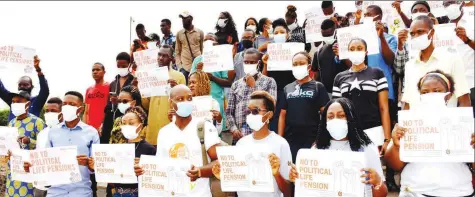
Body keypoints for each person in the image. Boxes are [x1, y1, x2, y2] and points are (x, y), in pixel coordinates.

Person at [385, 70, 474, 196]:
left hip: (457, 191)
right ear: (420, 95)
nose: (431, 95)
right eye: (425, 92)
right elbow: (395, 165)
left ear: (448, 95)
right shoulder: (410, 122)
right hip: (416, 190)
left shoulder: (462, 122)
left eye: (437, 91)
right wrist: (395, 145)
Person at [288, 98, 388, 197]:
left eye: (341, 116)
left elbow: (382, 193)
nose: (335, 120)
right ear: (325, 121)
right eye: (330, 117)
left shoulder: (367, 148)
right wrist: (299, 179)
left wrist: (377, 182)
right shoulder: (316, 150)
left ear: (351, 118)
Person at [135, 84, 221, 197]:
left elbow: (220, 162)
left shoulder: (205, 127)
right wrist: (143, 169)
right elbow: (160, 167)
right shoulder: (164, 132)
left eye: (189, 98)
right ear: (171, 103)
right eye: (180, 99)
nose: (186, 102)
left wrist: (200, 172)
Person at [213, 91, 292, 197]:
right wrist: (225, 177)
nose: (250, 115)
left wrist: (276, 173)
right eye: (248, 111)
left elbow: (288, 192)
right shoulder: (241, 144)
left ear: (269, 114)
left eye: (255, 111)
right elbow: (236, 187)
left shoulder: (281, 144)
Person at [24, 91, 100, 197]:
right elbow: (46, 161)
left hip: (81, 192)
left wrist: (89, 164)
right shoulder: (52, 132)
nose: (67, 107)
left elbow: (98, 166)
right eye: (65, 104)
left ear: (81, 109)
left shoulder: (92, 133)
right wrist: (32, 167)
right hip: (55, 192)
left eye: (72, 104)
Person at [332, 38, 391, 155]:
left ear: (366, 52)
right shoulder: (339, 77)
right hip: (348, 134)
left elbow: (384, 108)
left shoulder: (377, 73)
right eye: (352, 49)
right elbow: (336, 112)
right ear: (347, 53)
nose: (355, 51)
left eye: (359, 48)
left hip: (374, 132)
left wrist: (387, 139)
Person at [399, 15, 471, 109]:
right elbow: (408, 102)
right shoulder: (410, 65)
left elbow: (464, 101)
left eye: (420, 32)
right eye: (412, 34)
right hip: (418, 122)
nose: (416, 36)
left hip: (445, 121)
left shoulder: (452, 59)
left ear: (432, 32)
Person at [90, 106, 156, 197]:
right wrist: (97, 167)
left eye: (131, 123)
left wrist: (144, 168)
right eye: (124, 123)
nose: (126, 126)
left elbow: (153, 178)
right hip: (117, 193)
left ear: (140, 125)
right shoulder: (116, 148)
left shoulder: (149, 149)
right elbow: (111, 180)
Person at [279, 52, 330, 162]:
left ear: (309, 67)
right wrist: (280, 138)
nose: (298, 66)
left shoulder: (318, 87)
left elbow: (325, 114)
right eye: (295, 64)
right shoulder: (287, 88)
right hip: (291, 138)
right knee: (292, 171)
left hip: (312, 138)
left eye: (301, 63)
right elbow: (283, 115)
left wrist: (320, 138)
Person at [226, 48, 277, 144]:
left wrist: (254, 86)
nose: (248, 64)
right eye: (246, 62)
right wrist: (233, 129)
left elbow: (271, 107)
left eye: (251, 62)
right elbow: (229, 112)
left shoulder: (269, 81)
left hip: (261, 136)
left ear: (258, 63)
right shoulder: (236, 85)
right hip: (239, 137)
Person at [143, 45, 185, 146]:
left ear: (171, 59)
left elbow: (184, 104)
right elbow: (146, 105)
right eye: (159, 55)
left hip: (170, 127)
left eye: (165, 56)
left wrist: (176, 89)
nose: (161, 58)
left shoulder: (179, 77)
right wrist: (142, 90)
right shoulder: (150, 76)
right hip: (152, 129)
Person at [191, 33, 234, 132]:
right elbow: (192, 79)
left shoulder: (222, 59)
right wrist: (198, 71)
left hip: (216, 99)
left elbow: (228, 82)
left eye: (211, 39)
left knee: (216, 128)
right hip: (199, 101)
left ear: (217, 43)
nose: (208, 41)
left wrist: (212, 77)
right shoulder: (198, 59)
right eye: (205, 40)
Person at [5, 90, 45, 197]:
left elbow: (45, 148)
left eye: (18, 102)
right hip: (13, 169)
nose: (14, 104)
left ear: (27, 104)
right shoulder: (12, 122)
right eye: (13, 102)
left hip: (29, 171)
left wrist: (30, 141)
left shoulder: (37, 122)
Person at [262, 19, 296, 132]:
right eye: (276, 33)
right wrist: (265, 64)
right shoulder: (268, 53)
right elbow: (264, 78)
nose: (279, 35)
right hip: (274, 93)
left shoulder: (295, 51)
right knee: (274, 123)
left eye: (282, 32)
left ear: (287, 35)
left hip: (291, 92)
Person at [443, 0, 475, 115]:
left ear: (461, 3)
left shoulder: (472, 23)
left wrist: (467, 40)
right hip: (450, 89)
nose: (450, 6)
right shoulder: (440, 29)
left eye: (453, 2)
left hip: (471, 82)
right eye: (446, 4)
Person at [0, 56, 49, 121]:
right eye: (20, 85)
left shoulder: (36, 101)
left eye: (25, 85)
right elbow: (1, 89)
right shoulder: (12, 99)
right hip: (12, 130)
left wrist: (38, 70)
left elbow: (44, 91)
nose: (22, 86)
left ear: (31, 87)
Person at [101, 52, 135, 144]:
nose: (121, 68)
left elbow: (137, 99)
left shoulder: (134, 81)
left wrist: (121, 101)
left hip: (128, 117)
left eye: (123, 66)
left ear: (129, 65)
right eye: (118, 66)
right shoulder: (113, 83)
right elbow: (108, 104)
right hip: (112, 117)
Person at [34, 97, 63, 197]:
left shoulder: (69, 133)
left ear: (61, 113)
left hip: (59, 186)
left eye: (53, 111)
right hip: (41, 185)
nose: (49, 113)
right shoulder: (42, 134)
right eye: (47, 111)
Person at [312, 19, 348, 96]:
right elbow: (316, 75)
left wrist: (341, 55)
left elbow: (352, 66)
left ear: (335, 30)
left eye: (329, 35)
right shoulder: (319, 52)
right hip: (328, 94)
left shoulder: (346, 47)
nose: (326, 37)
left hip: (346, 91)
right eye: (324, 35)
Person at [176, 11, 204, 83]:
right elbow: (177, 52)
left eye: (185, 18)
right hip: (185, 68)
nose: (183, 21)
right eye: (182, 19)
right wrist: (180, 67)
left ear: (191, 19)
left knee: (198, 88)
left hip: (198, 67)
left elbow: (201, 49)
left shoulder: (200, 32)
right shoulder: (179, 33)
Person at [83, 62, 109, 132]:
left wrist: (104, 124)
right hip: (90, 128)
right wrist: (85, 126)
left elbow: (110, 109)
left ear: (104, 72)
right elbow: (86, 111)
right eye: (93, 70)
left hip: (103, 127)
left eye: (98, 70)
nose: (95, 72)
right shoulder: (89, 89)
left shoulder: (109, 87)